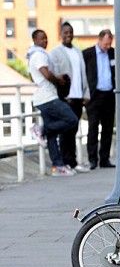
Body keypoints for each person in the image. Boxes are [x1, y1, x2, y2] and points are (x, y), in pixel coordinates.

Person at [27, 29, 79, 177]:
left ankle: (58, 166)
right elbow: (46, 73)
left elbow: (34, 77)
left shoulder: (34, 55)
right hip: (47, 98)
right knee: (71, 119)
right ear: (35, 40)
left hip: (44, 97)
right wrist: (59, 79)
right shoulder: (38, 55)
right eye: (42, 38)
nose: (45, 41)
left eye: (46, 38)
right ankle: (40, 130)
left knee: (51, 136)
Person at [50, 21, 91, 173]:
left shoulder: (78, 52)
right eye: (65, 32)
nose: (68, 35)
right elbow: (54, 75)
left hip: (78, 97)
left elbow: (83, 75)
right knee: (65, 131)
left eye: (70, 32)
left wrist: (86, 94)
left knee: (73, 130)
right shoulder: (55, 52)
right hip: (65, 97)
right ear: (61, 34)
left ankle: (72, 162)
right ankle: (65, 162)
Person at [83, 29, 116, 170]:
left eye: (109, 44)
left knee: (108, 128)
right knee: (93, 127)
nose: (108, 47)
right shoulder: (87, 54)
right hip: (94, 96)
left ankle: (104, 159)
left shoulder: (112, 52)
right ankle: (92, 159)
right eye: (106, 44)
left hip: (109, 94)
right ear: (100, 39)